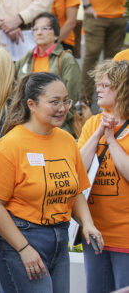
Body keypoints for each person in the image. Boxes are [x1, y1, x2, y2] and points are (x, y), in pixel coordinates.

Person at [0, 72, 102, 293]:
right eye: (54, 102)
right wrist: (23, 248)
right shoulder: (11, 145)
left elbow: (75, 192)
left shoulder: (66, 140)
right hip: (21, 237)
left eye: (66, 101)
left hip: (59, 237)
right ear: (32, 104)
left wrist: (88, 223)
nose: (62, 108)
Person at [78, 60, 129, 292]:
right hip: (95, 233)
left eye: (106, 84)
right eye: (98, 83)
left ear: (123, 89)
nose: (98, 88)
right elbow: (76, 169)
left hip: (125, 235)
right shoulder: (92, 124)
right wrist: (99, 132)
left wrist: (111, 140)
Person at [15, 12, 81, 135]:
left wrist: (54, 121)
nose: (39, 32)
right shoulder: (26, 58)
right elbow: (15, 90)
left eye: (45, 28)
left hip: (57, 124)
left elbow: (71, 97)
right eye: (35, 29)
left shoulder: (66, 59)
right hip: (26, 121)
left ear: (56, 34)